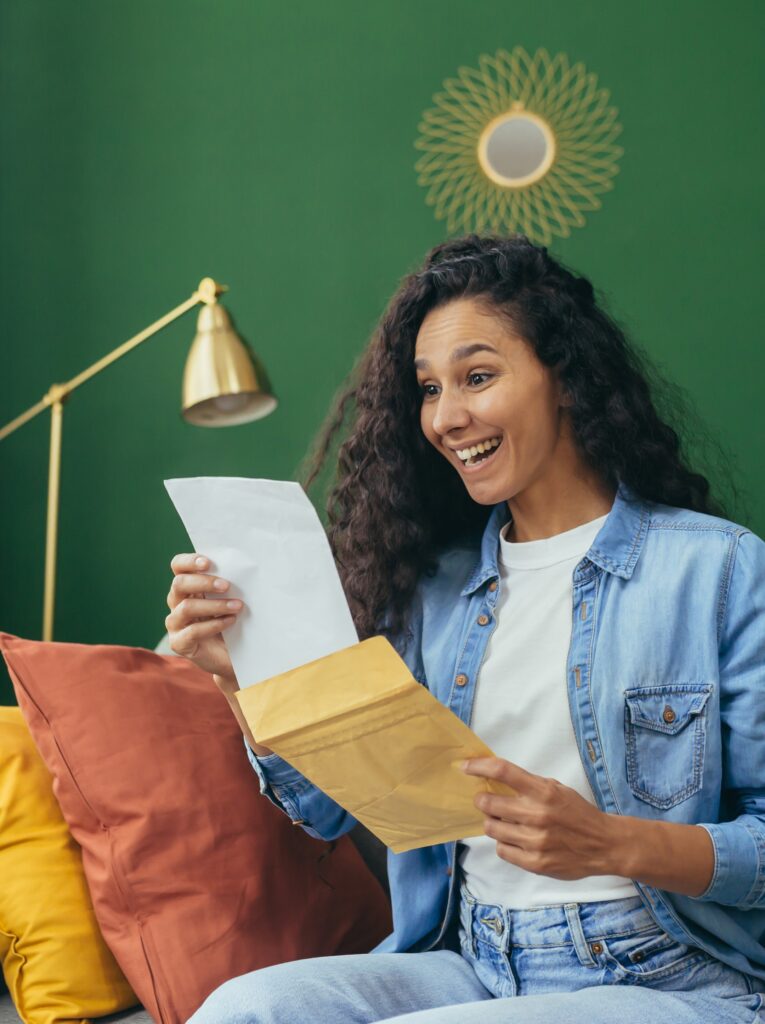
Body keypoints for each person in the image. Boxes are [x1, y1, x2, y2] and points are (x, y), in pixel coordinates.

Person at [166, 235, 765, 1024]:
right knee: (243, 1010)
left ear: (565, 378)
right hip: (473, 962)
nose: (447, 418)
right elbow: (324, 810)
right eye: (427, 390)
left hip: (672, 977)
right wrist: (237, 677)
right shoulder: (436, 589)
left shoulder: (715, 570)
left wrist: (612, 843)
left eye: (477, 377)